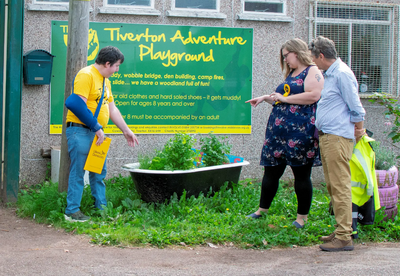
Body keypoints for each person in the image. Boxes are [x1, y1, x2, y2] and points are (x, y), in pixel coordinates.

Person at [245, 38, 324, 228]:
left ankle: (301, 218)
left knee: (301, 174)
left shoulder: (312, 70)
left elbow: (314, 95)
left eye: (286, 55)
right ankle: (262, 210)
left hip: (300, 131)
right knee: (271, 171)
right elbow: (283, 99)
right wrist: (267, 98)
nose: (285, 59)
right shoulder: (292, 73)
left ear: (297, 53)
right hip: (279, 132)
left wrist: (284, 98)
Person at [64, 46, 139, 222]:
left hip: (97, 133)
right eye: (117, 66)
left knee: (98, 172)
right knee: (78, 173)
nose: (117, 70)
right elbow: (77, 105)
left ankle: (101, 209)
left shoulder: (106, 81)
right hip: (81, 131)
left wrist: (126, 130)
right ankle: (72, 212)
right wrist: (96, 127)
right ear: (107, 64)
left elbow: (112, 109)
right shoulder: (86, 75)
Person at [308, 36, 366, 251]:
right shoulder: (331, 74)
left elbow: (356, 107)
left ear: (321, 56)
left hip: (338, 137)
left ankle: (344, 236)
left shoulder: (341, 74)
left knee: (340, 186)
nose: (314, 64)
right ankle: (341, 229)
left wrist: (359, 130)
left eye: (314, 59)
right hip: (329, 136)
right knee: (334, 185)